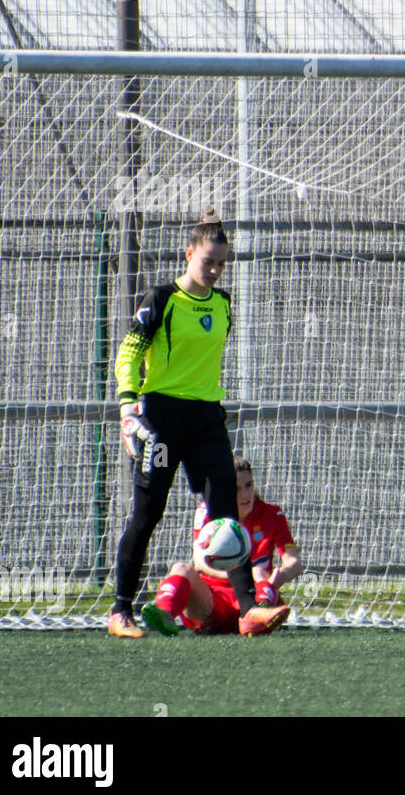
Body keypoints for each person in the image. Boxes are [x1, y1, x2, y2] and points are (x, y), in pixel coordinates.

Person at [108, 210, 290, 638]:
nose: (214, 270)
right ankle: (120, 611)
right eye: (207, 260)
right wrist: (128, 407)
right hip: (162, 422)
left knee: (226, 514)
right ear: (188, 253)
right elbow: (128, 354)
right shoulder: (160, 300)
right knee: (147, 514)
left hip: (207, 419)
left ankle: (249, 611)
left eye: (221, 263)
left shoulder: (224, 304)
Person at [141, 455, 303, 635]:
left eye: (249, 485)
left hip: (254, 596)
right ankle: (165, 614)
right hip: (211, 602)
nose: (245, 495)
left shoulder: (272, 514)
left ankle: (257, 617)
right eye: (237, 489)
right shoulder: (207, 511)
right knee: (180, 568)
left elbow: (294, 563)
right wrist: (237, 575)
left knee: (260, 574)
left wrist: (281, 575)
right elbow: (200, 562)